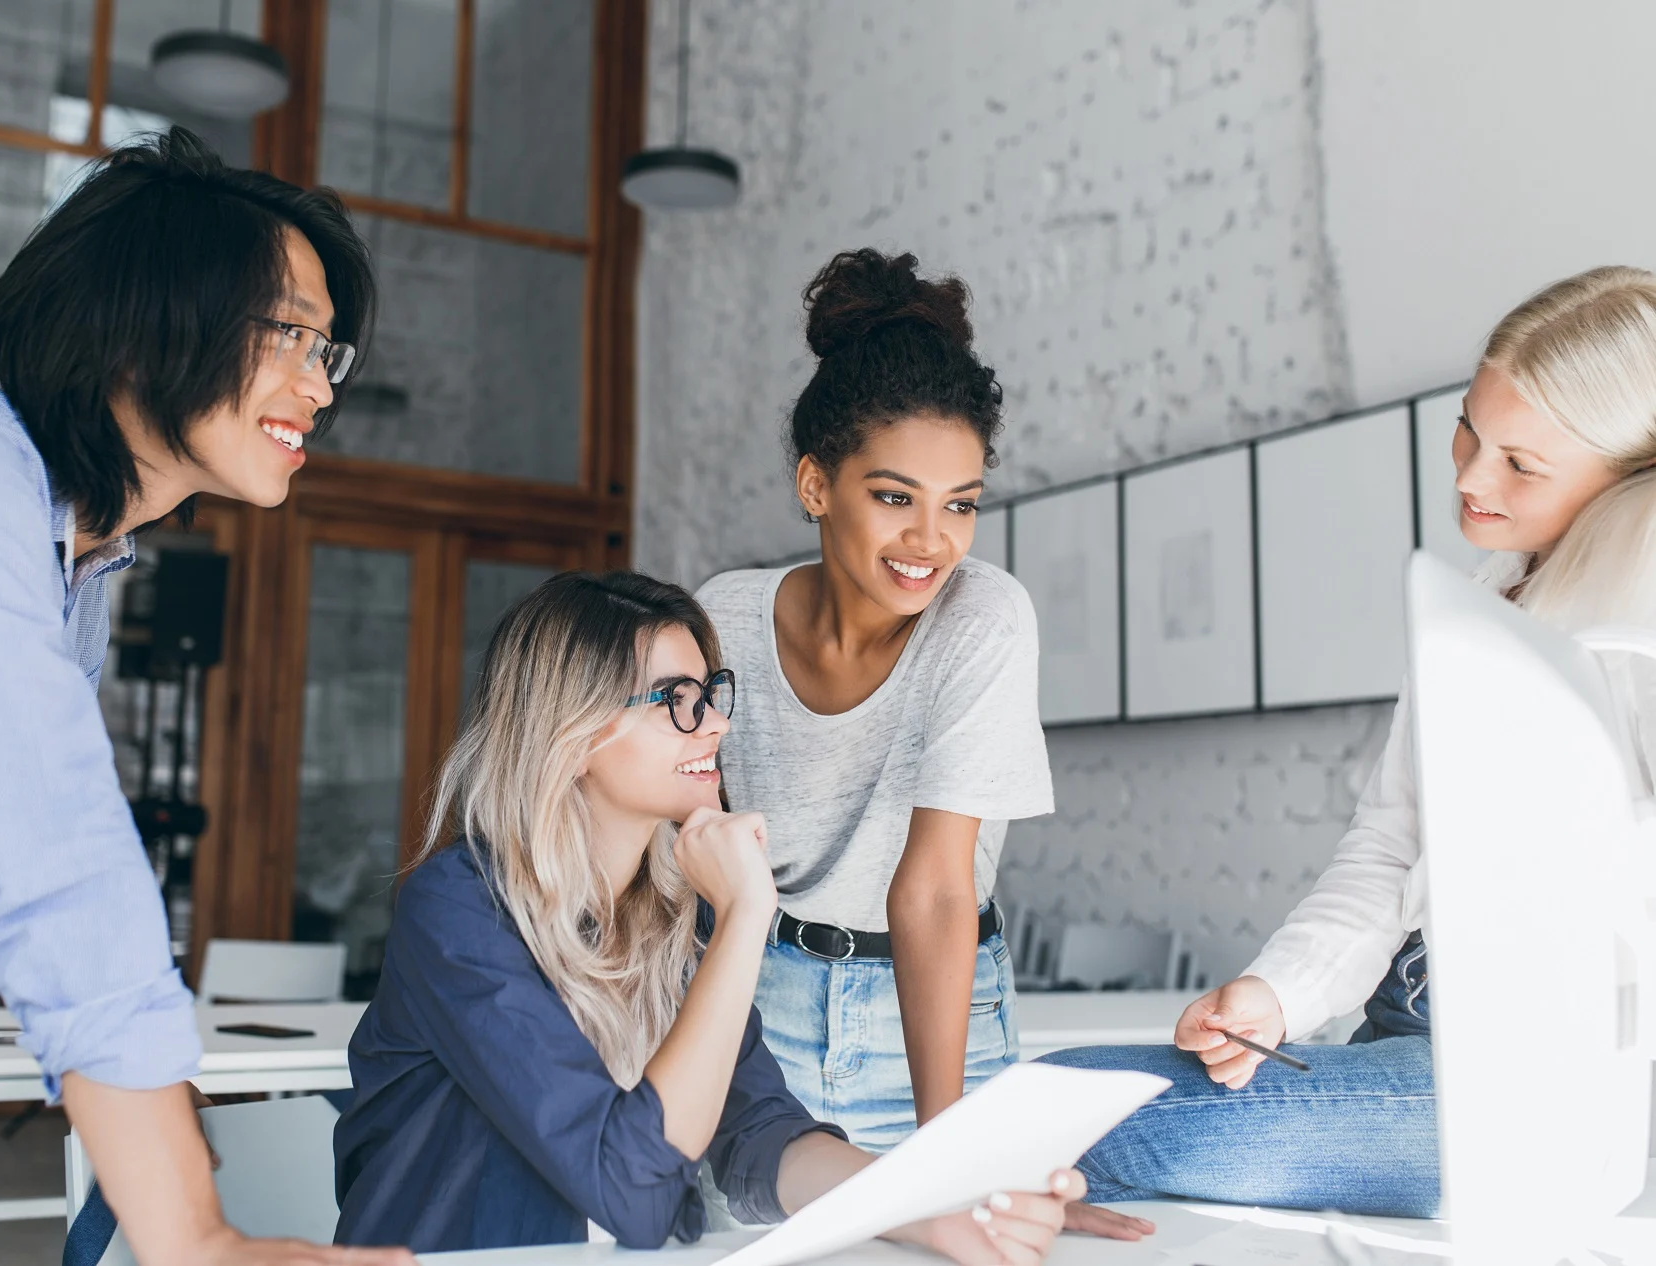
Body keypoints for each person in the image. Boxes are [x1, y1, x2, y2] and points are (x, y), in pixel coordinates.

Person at [0, 129, 411, 1265]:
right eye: (292, 336)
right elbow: (53, 842)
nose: (319, 385)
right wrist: (190, 1233)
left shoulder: (83, 571)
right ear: (150, 319)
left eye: (328, 351)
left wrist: (161, 1116)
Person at [1041, 266, 1656, 1216]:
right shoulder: (1484, 601)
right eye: (1468, 430)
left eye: (1521, 465)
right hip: (1401, 1024)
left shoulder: (1634, 630)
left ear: (1628, 472)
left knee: (1075, 1121)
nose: (1468, 475)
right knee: (1057, 1093)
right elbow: (1386, 850)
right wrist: (1275, 995)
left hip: (1527, 1077)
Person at [332, 571, 1143, 1260]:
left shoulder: (666, 915)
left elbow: (760, 1138)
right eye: (674, 701)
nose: (715, 723)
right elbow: (634, 1190)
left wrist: (941, 1209)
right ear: (571, 733)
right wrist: (752, 912)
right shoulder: (462, 909)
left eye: (711, 693)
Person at [696, 249, 1059, 1151]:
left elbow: (935, 891)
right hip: (758, 999)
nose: (931, 541)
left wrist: (935, 1162)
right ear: (817, 485)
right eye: (895, 496)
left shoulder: (984, 619)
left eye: (962, 505)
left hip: (940, 1018)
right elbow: (688, 853)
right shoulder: (724, 618)